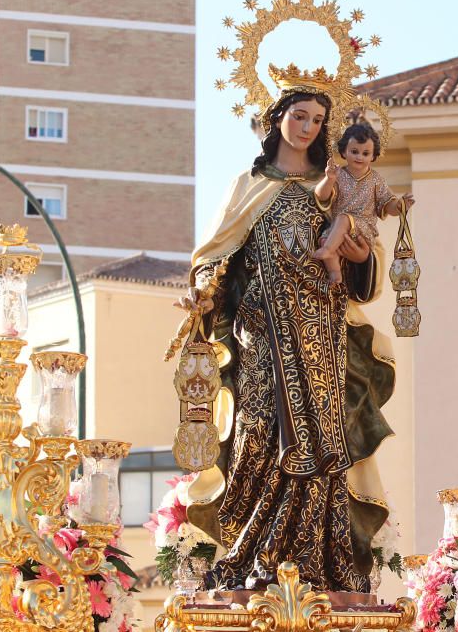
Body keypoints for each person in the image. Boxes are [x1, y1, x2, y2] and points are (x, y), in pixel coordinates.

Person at [175, 87, 396, 592]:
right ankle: (249, 551)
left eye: (319, 120)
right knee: (258, 434)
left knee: (322, 442)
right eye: (300, 116)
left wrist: (359, 251)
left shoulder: (334, 184)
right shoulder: (249, 185)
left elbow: (367, 267)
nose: (309, 128)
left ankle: (313, 563)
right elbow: (215, 256)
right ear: (278, 119)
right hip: (262, 331)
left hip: (322, 334)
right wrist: (203, 289)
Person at [311, 123, 415, 283]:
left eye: (365, 153)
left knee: (343, 219)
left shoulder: (376, 180)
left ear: (373, 156)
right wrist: (329, 179)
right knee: (324, 239)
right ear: (344, 152)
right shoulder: (339, 176)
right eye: (354, 152)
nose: (359, 157)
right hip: (338, 231)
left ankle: (327, 250)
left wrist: (400, 206)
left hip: (363, 230)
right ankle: (334, 273)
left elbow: (388, 204)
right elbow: (321, 195)